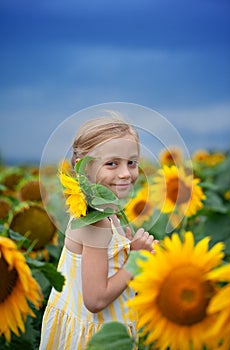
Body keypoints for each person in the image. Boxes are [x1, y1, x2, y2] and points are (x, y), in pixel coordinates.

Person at [39, 116, 156, 350]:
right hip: (96, 338)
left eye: (132, 162)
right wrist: (136, 259)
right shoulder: (95, 223)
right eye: (112, 163)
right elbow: (95, 299)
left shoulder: (107, 212)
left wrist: (135, 250)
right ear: (85, 168)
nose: (125, 173)